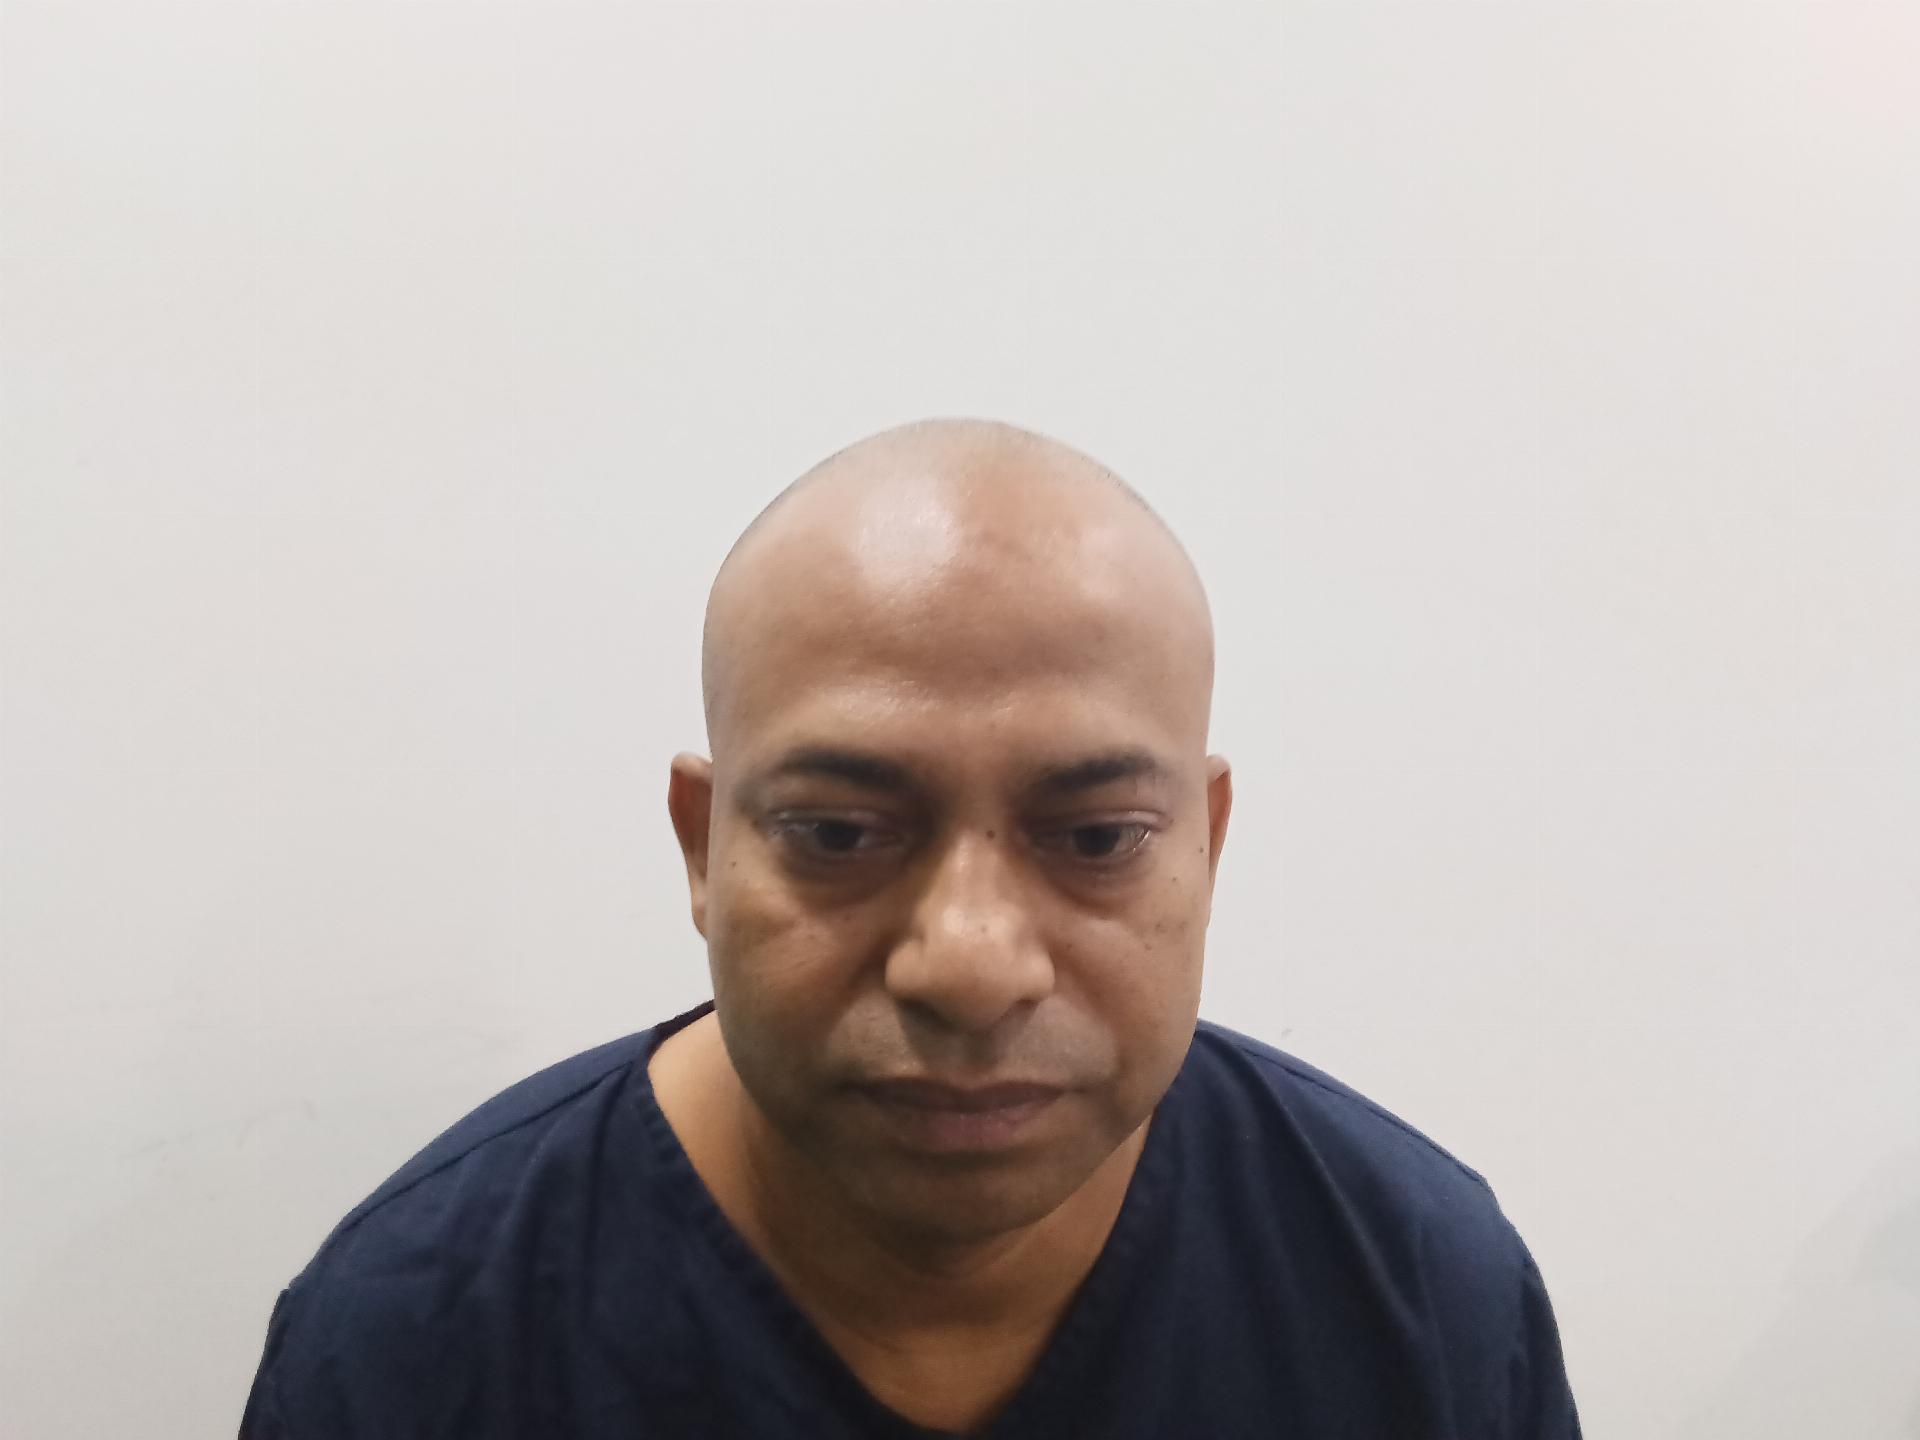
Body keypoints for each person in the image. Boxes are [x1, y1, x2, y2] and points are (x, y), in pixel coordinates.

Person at [240, 419, 1582, 1438]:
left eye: (1096, 839)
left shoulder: (1413, 1293)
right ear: (702, 846)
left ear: (1207, 844)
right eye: (838, 834)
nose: (971, 965)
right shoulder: (420, 1342)